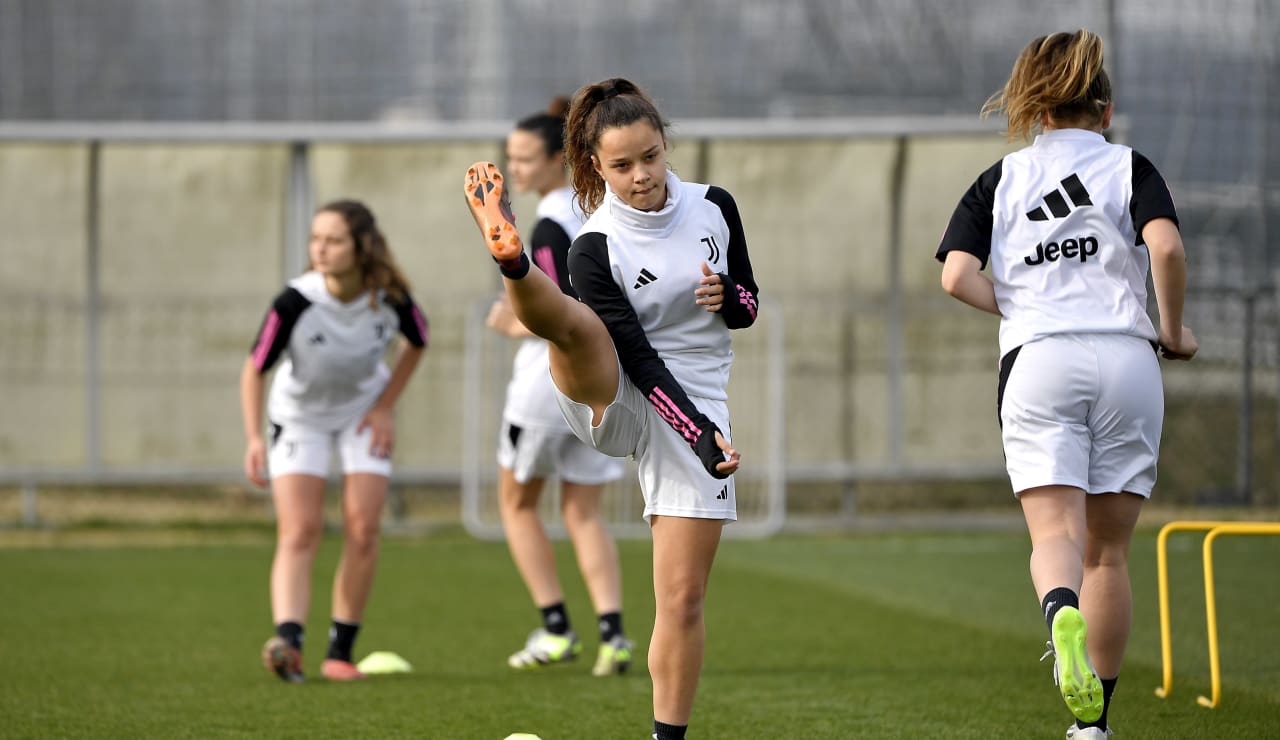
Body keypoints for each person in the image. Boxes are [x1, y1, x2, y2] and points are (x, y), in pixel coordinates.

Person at [463, 77, 759, 740]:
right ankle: (512, 263)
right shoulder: (592, 245)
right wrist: (702, 438)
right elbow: (641, 359)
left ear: (664, 144)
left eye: (650, 157)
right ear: (595, 167)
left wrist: (727, 298)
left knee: (681, 600)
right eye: (621, 166)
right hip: (617, 388)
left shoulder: (715, 206)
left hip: (701, 394)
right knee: (580, 328)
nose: (641, 175)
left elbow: (749, 305)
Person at [935, 29, 1196, 739]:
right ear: (1105, 112)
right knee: (1108, 552)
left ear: (1038, 113)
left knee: (1054, 532)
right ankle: (1093, 728)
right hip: (1127, 360)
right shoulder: (1129, 166)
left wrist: (1019, 305)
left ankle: (1059, 611)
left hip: (1040, 358)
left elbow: (956, 276)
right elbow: (1165, 246)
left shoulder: (1002, 178)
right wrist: (1170, 330)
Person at [240, 199, 428, 683]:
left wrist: (385, 405)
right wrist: (253, 438)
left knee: (363, 529)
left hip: (361, 415)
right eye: (315, 239)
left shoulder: (390, 297)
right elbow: (255, 369)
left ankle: (339, 654)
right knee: (300, 530)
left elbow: (419, 341)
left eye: (333, 240)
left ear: (361, 246)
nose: (319, 249)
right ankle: (289, 643)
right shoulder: (295, 301)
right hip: (299, 418)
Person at [488, 97, 632, 676]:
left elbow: (560, 308)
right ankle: (613, 635)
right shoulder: (599, 208)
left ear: (557, 159)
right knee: (583, 511)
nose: (514, 170)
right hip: (605, 383)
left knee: (517, 504)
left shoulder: (549, 222)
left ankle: (555, 630)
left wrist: (512, 321)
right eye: (510, 158)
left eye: (524, 159)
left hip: (547, 383)